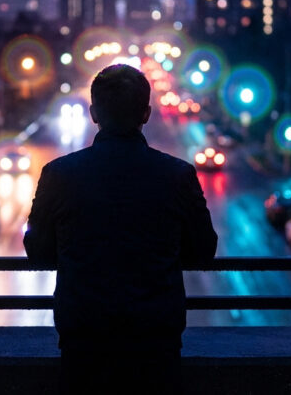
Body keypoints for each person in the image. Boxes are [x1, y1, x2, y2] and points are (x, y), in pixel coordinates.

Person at [23, 64, 218, 394]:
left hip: (83, 342)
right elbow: (203, 250)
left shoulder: (58, 175)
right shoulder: (178, 176)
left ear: (93, 113)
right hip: (156, 344)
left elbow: (37, 251)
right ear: (147, 113)